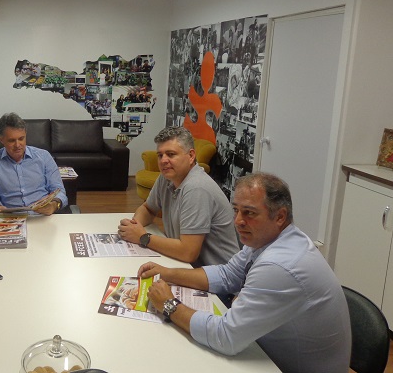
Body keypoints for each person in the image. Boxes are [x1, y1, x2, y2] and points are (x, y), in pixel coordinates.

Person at [138, 172, 351, 373]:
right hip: (267, 351)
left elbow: (226, 336)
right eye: (236, 210)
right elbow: (227, 275)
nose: (238, 221)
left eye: (249, 213)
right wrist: (168, 273)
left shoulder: (279, 266)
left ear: (279, 216)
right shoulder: (268, 237)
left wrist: (169, 305)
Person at [118, 126, 239, 267]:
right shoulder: (167, 177)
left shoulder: (197, 188)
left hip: (217, 278)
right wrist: (134, 227)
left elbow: (188, 252)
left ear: (191, 156)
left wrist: (142, 237)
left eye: (171, 154)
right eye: (160, 155)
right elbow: (148, 208)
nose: (163, 160)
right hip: (184, 264)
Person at [0, 112, 67, 215]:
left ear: (25, 134)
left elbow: (59, 191)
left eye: (21, 139)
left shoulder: (44, 156)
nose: (18, 145)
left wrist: (53, 205)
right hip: (10, 220)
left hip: (43, 217)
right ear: (1, 139)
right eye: (12, 140)